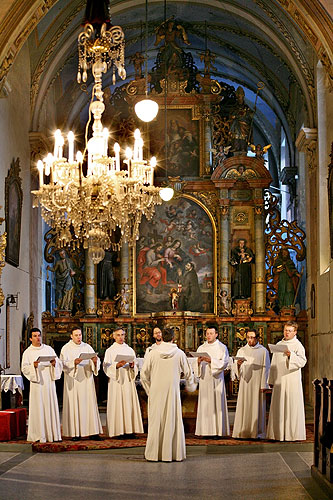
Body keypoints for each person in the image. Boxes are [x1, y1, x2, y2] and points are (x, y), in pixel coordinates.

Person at [141, 328, 196, 462]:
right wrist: (191, 386)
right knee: (172, 420)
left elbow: (143, 375)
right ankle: (171, 454)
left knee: (156, 421)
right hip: (172, 391)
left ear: (162, 337)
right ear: (173, 338)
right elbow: (189, 374)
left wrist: (150, 390)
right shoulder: (179, 353)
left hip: (156, 391)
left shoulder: (153, 353)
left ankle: (154, 454)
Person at [267, 321, 307, 441]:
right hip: (279, 380)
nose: (287, 333)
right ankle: (277, 434)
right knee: (279, 405)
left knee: (291, 405)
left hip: (291, 381)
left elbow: (302, 361)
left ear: (295, 332)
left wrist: (291, 356)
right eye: (285, 330)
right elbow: (274, 364)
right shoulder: (279, 344)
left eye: (289, 331)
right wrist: (271, 379)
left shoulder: (298, 345)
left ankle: (292, 434)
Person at [60, 327, 102, 441]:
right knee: (75, 405)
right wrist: (74, 362)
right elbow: (62, 364)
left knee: (89, 405)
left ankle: (93, 432)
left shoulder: (87, 347)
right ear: (71, 336)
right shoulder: (66, 349)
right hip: (74, 381)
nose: (79, 337)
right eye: (76, 335)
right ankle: (75, 433)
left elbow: (96, 361)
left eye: (80, 335)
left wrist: (94, 361)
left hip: (87, 379)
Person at [21, 327, 62, 443]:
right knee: (38, 407)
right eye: (35, 336)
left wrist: (55, 363)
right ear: (30, 338)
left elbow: (58, 362)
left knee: (50, 406)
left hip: (49, 382)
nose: (37, 338)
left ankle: (52, 434)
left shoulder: (48, 349)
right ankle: (39, 434)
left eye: (39, 335)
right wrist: (33, 366)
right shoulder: (27, 352)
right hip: (37, 383)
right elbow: (24, 368)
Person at [103, 328, 143, 438]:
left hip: (127, 380)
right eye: (118, 335)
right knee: (118, 404)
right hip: (116, 381)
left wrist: (132, 366)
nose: (121, 337)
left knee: (128, 403)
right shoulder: (110, 351)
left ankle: (130, 430)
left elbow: (135, 365)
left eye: (122, 335)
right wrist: (116, 366)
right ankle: (118, 431)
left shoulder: (129, 350)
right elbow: (105, 366)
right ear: (114, 336)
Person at [232, 328, 270, 439]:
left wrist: (264, 384)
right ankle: (243, 431)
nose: (250, 340)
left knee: (256, 406)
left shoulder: (263, 351)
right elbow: (236, 367)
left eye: (252, 337)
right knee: (244, 405)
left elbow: (266, 368)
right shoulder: (242, 351)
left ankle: (256, 432)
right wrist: (238, 365)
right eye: (248, 337)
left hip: (257, 382)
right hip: (245, 382)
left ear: (257, 338)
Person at [194, 325, 230, 437]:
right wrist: (198, 363)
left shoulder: (221, 347)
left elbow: (224, 363)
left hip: (216, 379)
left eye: (211, 333)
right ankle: (205, 431)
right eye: (207, 333)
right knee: (205, 404)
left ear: (216, 334)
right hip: (205, 379)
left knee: (216, 404)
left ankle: (217, 431)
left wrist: (211, 361)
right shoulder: (201, 348)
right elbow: (195, 365)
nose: (208, 336)